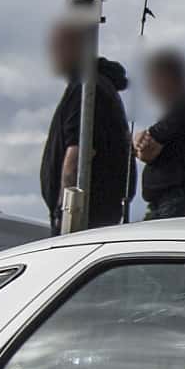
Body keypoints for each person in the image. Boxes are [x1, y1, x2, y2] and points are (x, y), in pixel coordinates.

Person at [41, 21, 132, 231]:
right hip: (96, 216)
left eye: (58, 46)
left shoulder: (88, 89)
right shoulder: (93, 86)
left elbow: (77, 156)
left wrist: (64, 214)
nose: (53, 54)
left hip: (84, 218)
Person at [133, 49, 185, 220]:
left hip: (181, 202)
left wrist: (139, 141)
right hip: (177, 203)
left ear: (168, 78)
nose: (151, 87)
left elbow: (147, 151)